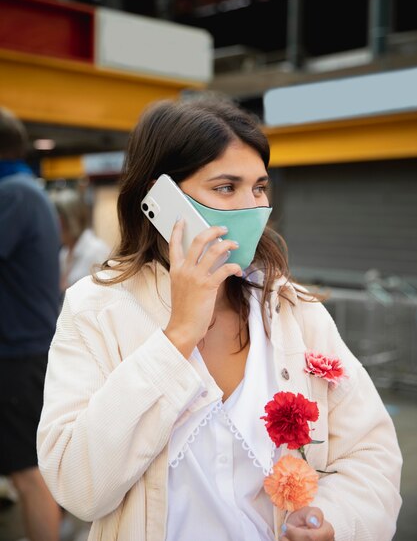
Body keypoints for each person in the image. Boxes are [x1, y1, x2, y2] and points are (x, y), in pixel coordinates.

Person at [37, 98, 402, 541]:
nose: (252, 207)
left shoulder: (294, 311)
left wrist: (333, 521)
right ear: (162, 198)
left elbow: (370, 452)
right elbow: (77, 486)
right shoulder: (96, 309)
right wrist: (177, 338)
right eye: (226, 187)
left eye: (260, 187)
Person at [0, 107, 62, 541]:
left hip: (17, 356)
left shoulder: (15, 195)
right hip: (21, 350)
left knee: (28, 471)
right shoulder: (26, 190)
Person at [49, 187, 110, 293]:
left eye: (58, 221)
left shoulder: (96, 250)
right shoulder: (64, 253)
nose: (53, 227)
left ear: (70, 220)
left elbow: (105, 293)